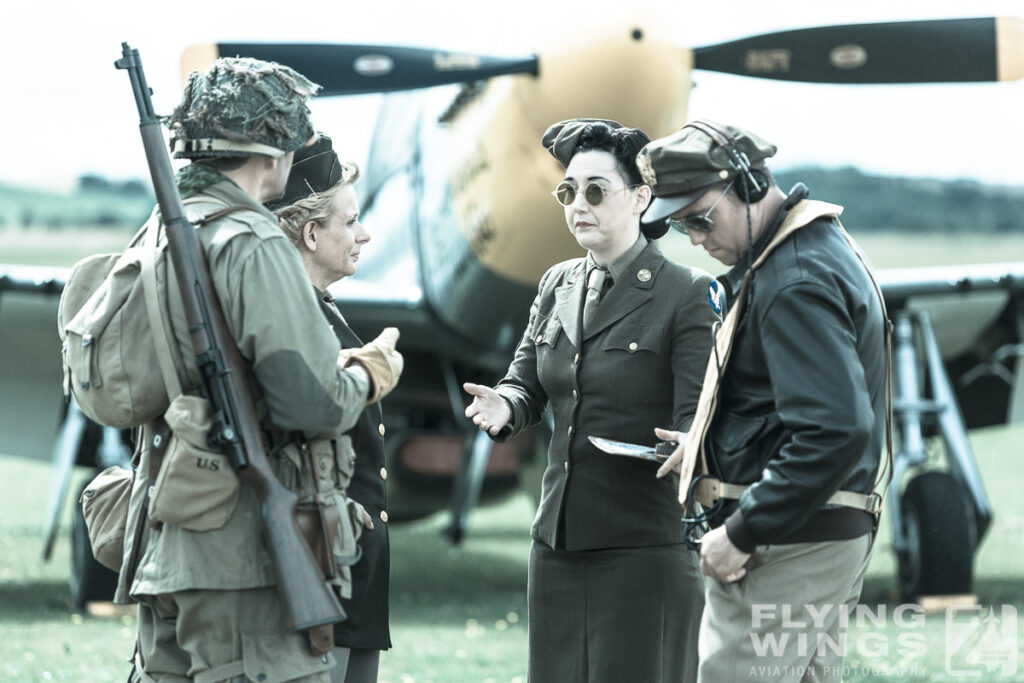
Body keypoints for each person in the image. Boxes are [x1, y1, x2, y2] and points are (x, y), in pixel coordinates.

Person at [113, 58, 403, 682]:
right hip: (244, 550)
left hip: (168, 530)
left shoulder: (161, 237)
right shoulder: (253, 242)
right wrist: (370, 374)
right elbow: (311, 404)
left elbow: (112, 389)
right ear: (270, 151)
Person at [462, 118, 718, 683]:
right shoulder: (558, 282)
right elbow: (526, 379)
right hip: (557, 545)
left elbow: (698, 419)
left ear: (641, 198)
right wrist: (505, 405)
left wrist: (691, 447)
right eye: (567, 191)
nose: (579, 203)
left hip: (644, 549)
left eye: (596, 190)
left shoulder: (687, 293)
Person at [640, 120, 889, 682]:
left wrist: (744, 531)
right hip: (818, 534)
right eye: (682, 229)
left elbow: (835, 430)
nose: (698, 240)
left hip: (787, 545)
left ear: (749, 184)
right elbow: (791, 408)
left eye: (700, 218)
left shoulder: (792, 280)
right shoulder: (810, 248)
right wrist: (710, 442)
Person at [269, 136, 392, 683]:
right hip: (317, 575)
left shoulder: (317, 311)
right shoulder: (288, 319)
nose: (364, 234)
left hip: (347, 573)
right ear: (312, 233)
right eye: (351, 220)